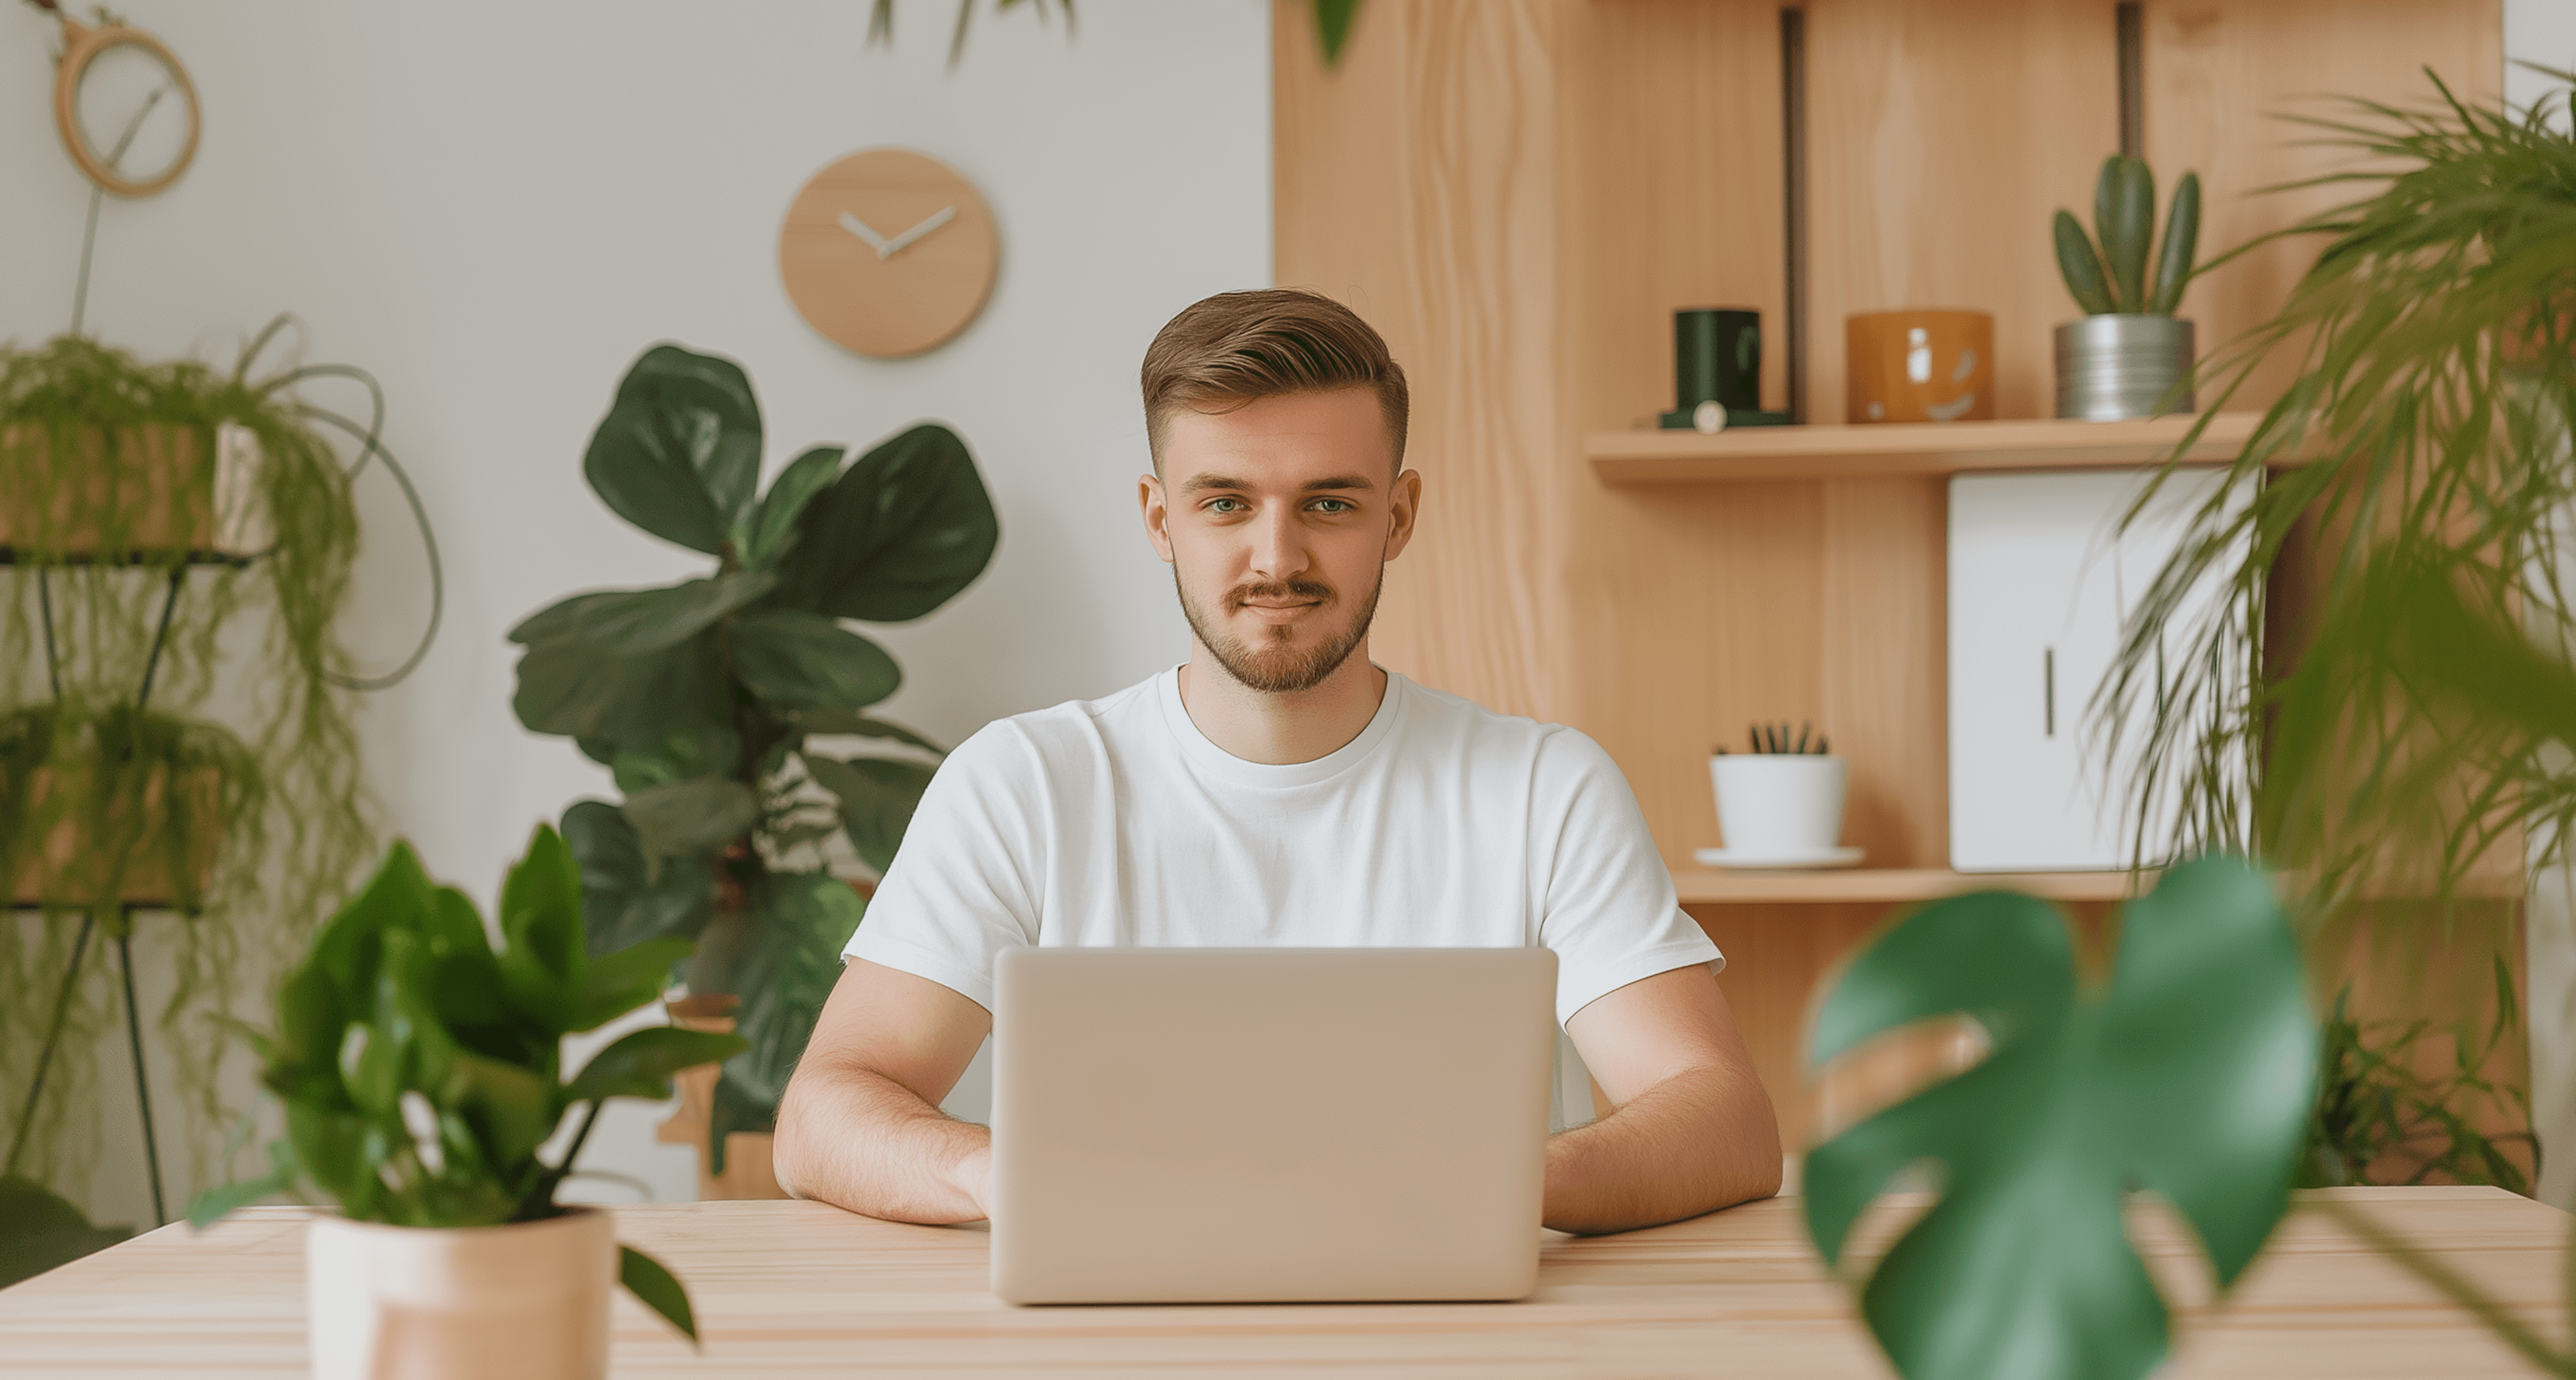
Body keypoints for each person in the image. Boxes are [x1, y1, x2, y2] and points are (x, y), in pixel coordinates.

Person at [772, 289, 1782, 1234]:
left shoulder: (1542, 790)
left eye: (1330, 505)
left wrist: (1491, 1183)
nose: (1278, 558)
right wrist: (1014, 1180)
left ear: (1398, 516)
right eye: (1225, 504)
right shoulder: (1023, 784)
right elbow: (825, 1113)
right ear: (1160, 518)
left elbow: (1725, 1120)